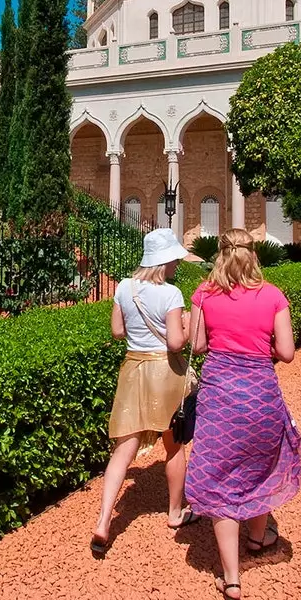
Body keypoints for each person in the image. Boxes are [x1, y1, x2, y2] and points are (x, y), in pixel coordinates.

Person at [183, 228, 301, 600]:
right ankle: (257, 537)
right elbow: (286, 352)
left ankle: (231, 578)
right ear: (253, 255)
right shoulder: (272, 296)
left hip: (220, 394)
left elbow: (198, 345)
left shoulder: (204, 294)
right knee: (261, 465)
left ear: (219, 255)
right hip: (260, 393)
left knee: (219, 473)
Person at [90, 227, 197, 559]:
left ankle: (105, 519)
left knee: (124, 448)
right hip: (165, 371)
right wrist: (189, 324)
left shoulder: (123, 287)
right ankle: (175, 511)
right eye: (175, 260)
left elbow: (117, 331)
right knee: (174, 445)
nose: (177, 265)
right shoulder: (171, 294)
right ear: (163, 261)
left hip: (134, 370)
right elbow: (176, 343)